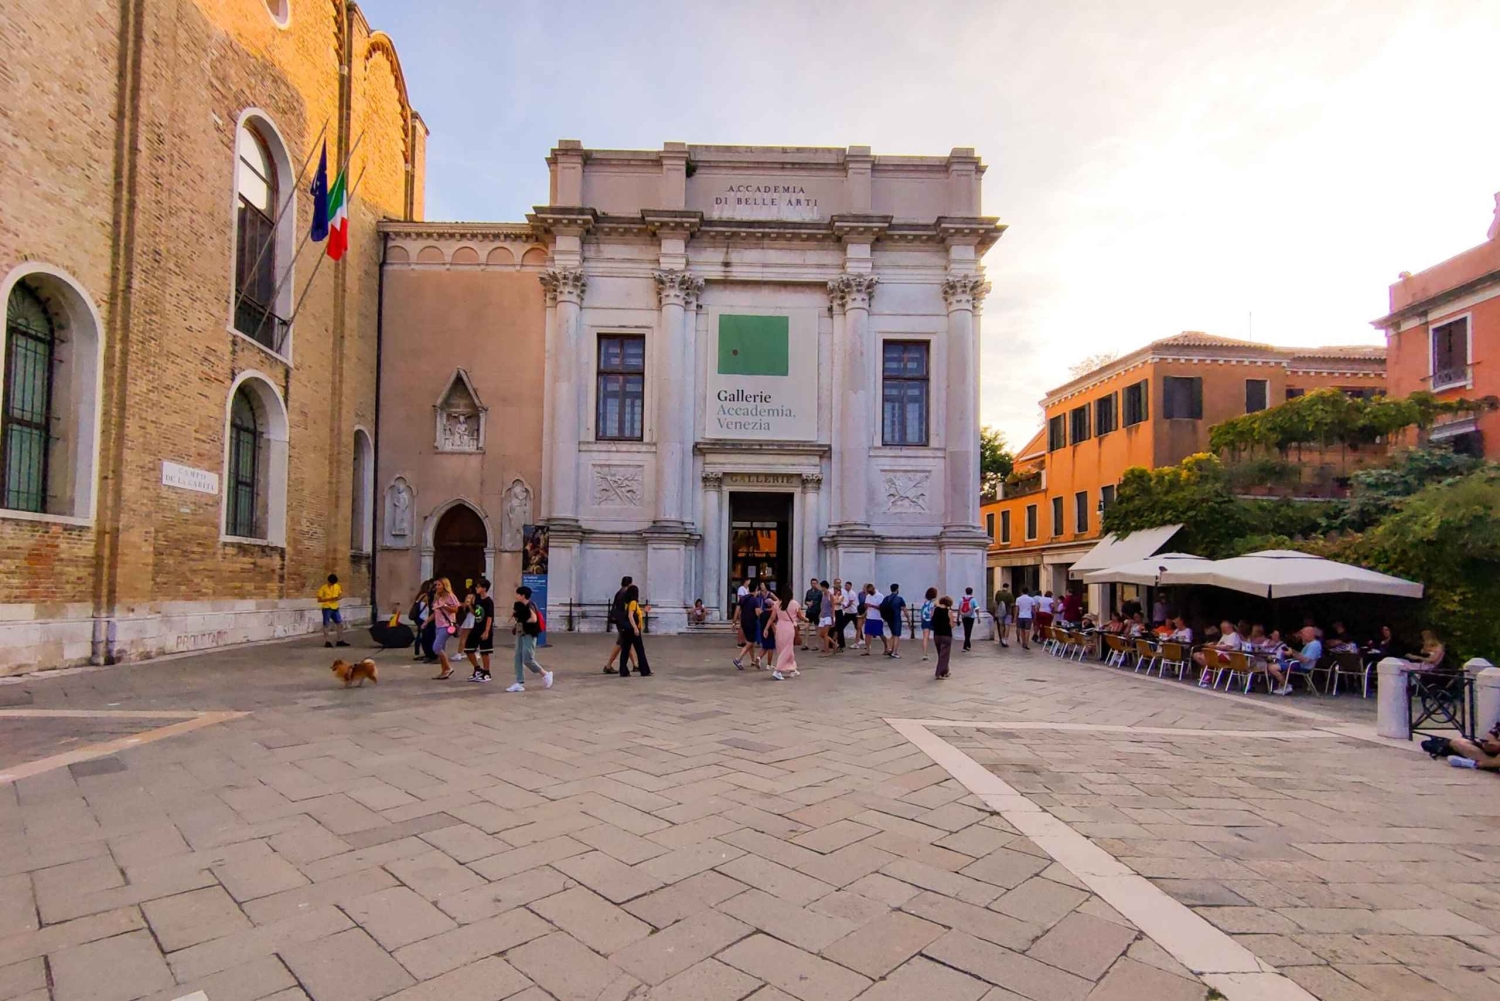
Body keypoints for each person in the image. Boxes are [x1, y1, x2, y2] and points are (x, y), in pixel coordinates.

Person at [507, 586, 554, 691]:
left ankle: (545, 674)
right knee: (518, 657)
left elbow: (533, 619)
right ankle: (519, 682)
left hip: (529, 634)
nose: (516, 596)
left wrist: (522, 621)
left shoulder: (530, 605)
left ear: (523, 595)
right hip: (521, 633)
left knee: (527, 658)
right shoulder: (519, 606)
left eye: (518, 594)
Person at [1269, 625, 1321, 695]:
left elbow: (1305, 659)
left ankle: (1286, 686)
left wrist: (1292, 653)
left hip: (1303, 667)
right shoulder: (1310, 644)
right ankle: (1282, 686)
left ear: (1310, 634)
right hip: (1297, 664)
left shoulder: (1314, 645)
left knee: (1272, 668)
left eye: (1302, 634)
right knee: (1272, 664)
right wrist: (1292, 651)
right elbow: (1301, 655)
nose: (1301, 636)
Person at [463, 578, 496, 682]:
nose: (476, 589)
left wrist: (486, 631)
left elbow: (490, 617)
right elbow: (477, 613)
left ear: (484, 588)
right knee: (468, 648)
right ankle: (477, 669)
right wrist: (469, 606)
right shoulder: (477, 599)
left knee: (484, 652)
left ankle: (487, 672)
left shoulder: (488, 601)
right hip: (476, 627)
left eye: (478, 587)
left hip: (484, 628)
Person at [617, 583, 652, 678]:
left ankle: (623, 670)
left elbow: (635, 612)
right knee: (640, 649)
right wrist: (635, 628)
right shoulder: (633, 602)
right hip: (633, 630)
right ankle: (644, 670)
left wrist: (644, 610)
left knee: (625, 649)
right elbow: (630, 616)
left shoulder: (629, 603)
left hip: (628, 630)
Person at [429, 578, 461, 679]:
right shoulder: (437, 597)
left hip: (447, 625)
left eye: (439, 585)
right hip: (438, 625)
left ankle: (448, 668)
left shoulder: (450, 596)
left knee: (436, 647)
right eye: (436, 585)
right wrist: (426, 622)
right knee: (441, 648)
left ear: (444, 586)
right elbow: (435, 612)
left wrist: (445, 606)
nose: (437, 587)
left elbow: (455, 609)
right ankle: (444, 671)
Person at [1192, 620, 1241, 685]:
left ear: (1229, 627)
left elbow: (1228, 647)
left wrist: (1213, 647)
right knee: (1196, 655)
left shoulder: (1234, 635)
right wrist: (1213, 644)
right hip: (1217, 653)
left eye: (1223, 628)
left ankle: (1209, 675)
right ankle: (1208, 673)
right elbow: (1219, 644)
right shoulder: (1225, 635)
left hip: (1227, 656)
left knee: (1204, 657)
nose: (1222, 630)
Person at [603, 576, 634, 675]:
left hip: (619, 620)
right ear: (630, 584)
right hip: (623, 621)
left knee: (626, 642)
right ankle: (608, 665)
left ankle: (635, 664)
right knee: (621, 642)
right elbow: (627, 609)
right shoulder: (626, 594)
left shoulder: (619, 592)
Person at [771, 593, 802, 681]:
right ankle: (778, 670)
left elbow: (772, 617)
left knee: (783, 648)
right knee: (787, 649)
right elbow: (800, 616)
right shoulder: (795, 604)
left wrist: (766, 628)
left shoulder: (777, 604)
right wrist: (806, 620)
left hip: (780, 626)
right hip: (789, 627)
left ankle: (792, 668)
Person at [734, 583, 763, 670]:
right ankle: (738, 659)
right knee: (750, 642)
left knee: (750, 641)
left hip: (744, 622)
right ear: (757, 589)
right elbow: (758, 613)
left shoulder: (743, 598)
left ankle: (753, 660)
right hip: (752, 622)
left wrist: (734, 622)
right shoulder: (755, 600)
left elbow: (737, 610)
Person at [318, 574, 348, 648]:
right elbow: (319, 599)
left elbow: (340, 594)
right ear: (328, 581)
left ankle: (340, 640)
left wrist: (338, 598)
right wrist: (329, 599)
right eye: (331, 583)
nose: (332, 584)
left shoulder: (337, 586)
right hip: (326, 607)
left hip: (335, 607)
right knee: (326, 624)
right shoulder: (323, 588)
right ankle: (327, 641)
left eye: (333, 583)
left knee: (340, 624)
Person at [932, 596, 955, 679]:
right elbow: (951, 624)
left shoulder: (935, 610)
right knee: (944, 655)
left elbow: (932, 620)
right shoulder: (949, 612)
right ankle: (939, 673)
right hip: (946, 635)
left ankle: (945, 671)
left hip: (937, 635)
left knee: (941, 654)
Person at [861, 584, 885, 656]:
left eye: (870, 591)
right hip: (869, 617)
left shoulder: (880, 596)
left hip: (877, 617)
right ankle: (867, 650)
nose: (869, 593)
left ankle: (886, 646)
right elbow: (866, 605)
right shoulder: (868, 596)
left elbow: (881, 607)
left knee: (880, 633)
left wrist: (871, 606)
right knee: (867, 634)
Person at [883, 584, 906, 659]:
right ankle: (894, 652)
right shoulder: (899, 599)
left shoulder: (886, 598)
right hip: (896, 619)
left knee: (893, 634)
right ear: (897, 589)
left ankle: (890, 648)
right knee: (896, 635)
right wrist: (908, 620)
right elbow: (904, 610)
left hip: (889, 619)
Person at [802, 578, 822, 650]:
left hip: (816, 612)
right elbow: (805, 601)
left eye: (815, 583)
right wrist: (807, 603)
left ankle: (817, 644)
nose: (814, 584)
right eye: (812, 583)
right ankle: (806, 644)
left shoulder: (820, 593)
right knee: (807, 628)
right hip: (809, 612)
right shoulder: (808, 592)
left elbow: (821, 603)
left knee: (817, 628)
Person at [919, 587, 938, 660]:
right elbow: (933, 613)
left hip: (925, 620)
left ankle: (924, 653)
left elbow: (922, 611)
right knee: (936, 636)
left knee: (925, 637)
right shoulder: (935, 603)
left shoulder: (925, 602)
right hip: (932, 620)